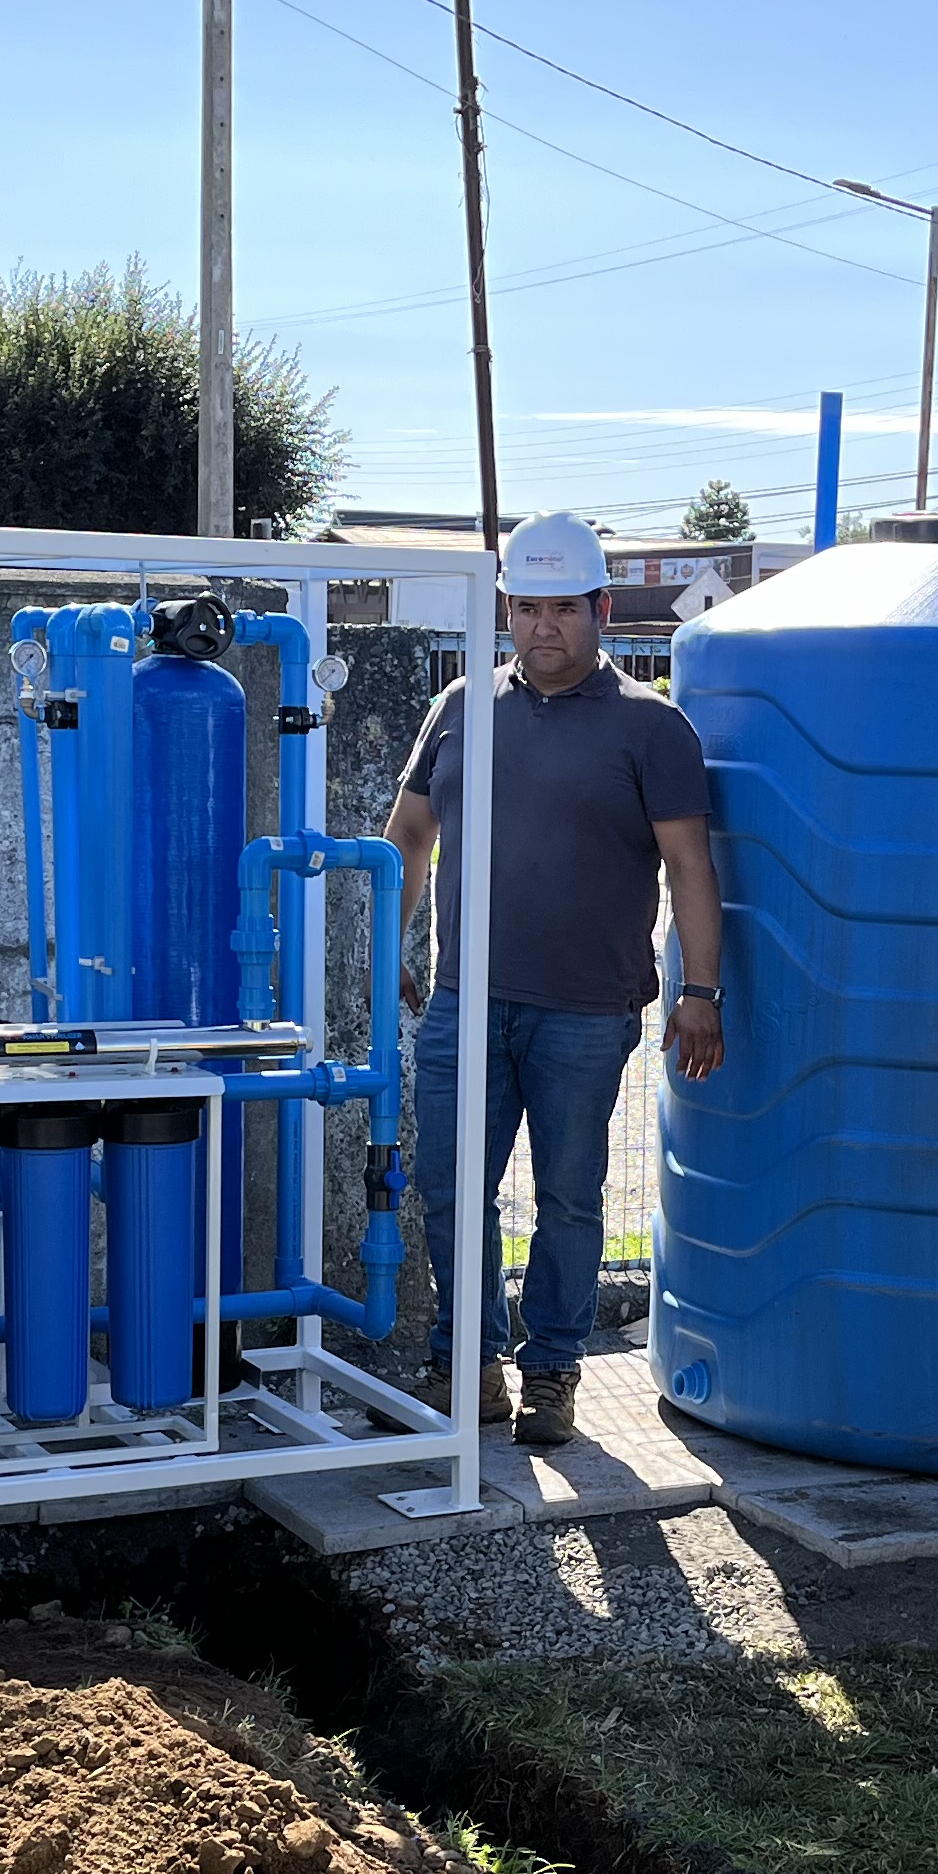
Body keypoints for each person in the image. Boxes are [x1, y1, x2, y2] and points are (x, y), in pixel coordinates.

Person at [388, 510, 726, 1450]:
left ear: (603, 609)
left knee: (571, 1200)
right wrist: (392, 952)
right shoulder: (461, 706)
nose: (544, 627)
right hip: (465, 1000)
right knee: (454, 1191)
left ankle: (552, 1372)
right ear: (505, 608)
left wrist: (702, 993)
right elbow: (408, 838)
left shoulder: (652, 728)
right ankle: (470, 1363)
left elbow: (691, 866)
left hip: (586, 1010)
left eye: (563, 609)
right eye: (526, 607)